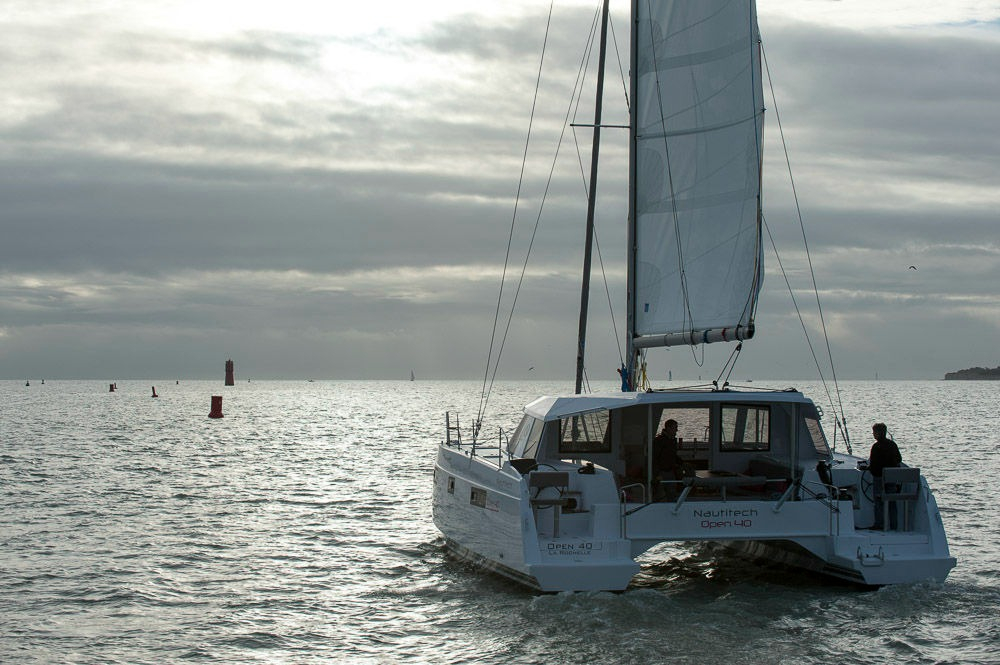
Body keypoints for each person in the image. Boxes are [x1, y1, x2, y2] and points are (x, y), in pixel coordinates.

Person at [869, 422, 902, 529]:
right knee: (892, 502)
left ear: (878, 433)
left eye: (874, 432)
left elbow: (874, 467)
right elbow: (899, 459)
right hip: (892, 479)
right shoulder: (892, 445)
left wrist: (870, 469)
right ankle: (894, 525)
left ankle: (879, 524)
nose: (873, 434)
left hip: (879, 478)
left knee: (878, 501)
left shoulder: (876, 447)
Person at [653, 419, 685, 499]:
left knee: (672, 493)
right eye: (675, 428)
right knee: (660, 495)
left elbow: (672, 456)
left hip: (670, 471)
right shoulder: (659, 441)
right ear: (668, 428)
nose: (676, 430)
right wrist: (657, 474)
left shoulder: (672, 441)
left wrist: (682, 463)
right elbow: (654, 458)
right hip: (661, 472)